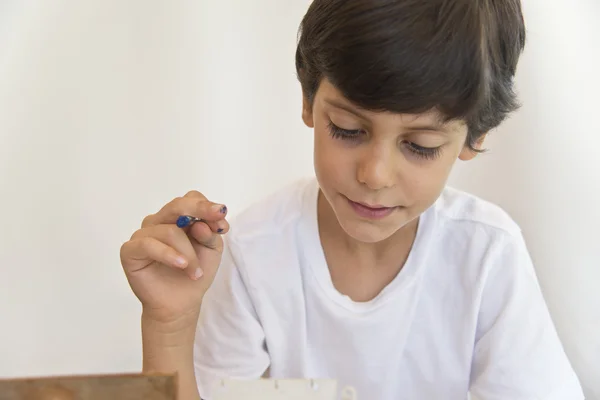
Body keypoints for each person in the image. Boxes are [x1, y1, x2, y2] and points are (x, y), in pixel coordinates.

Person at [119, 1, 585, 399]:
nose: (374, 175)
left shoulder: (487, 254)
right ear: (308, 100)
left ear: (474, 136)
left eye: (420, 145)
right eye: (347, 129)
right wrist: (169, 325)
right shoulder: (256, 251)